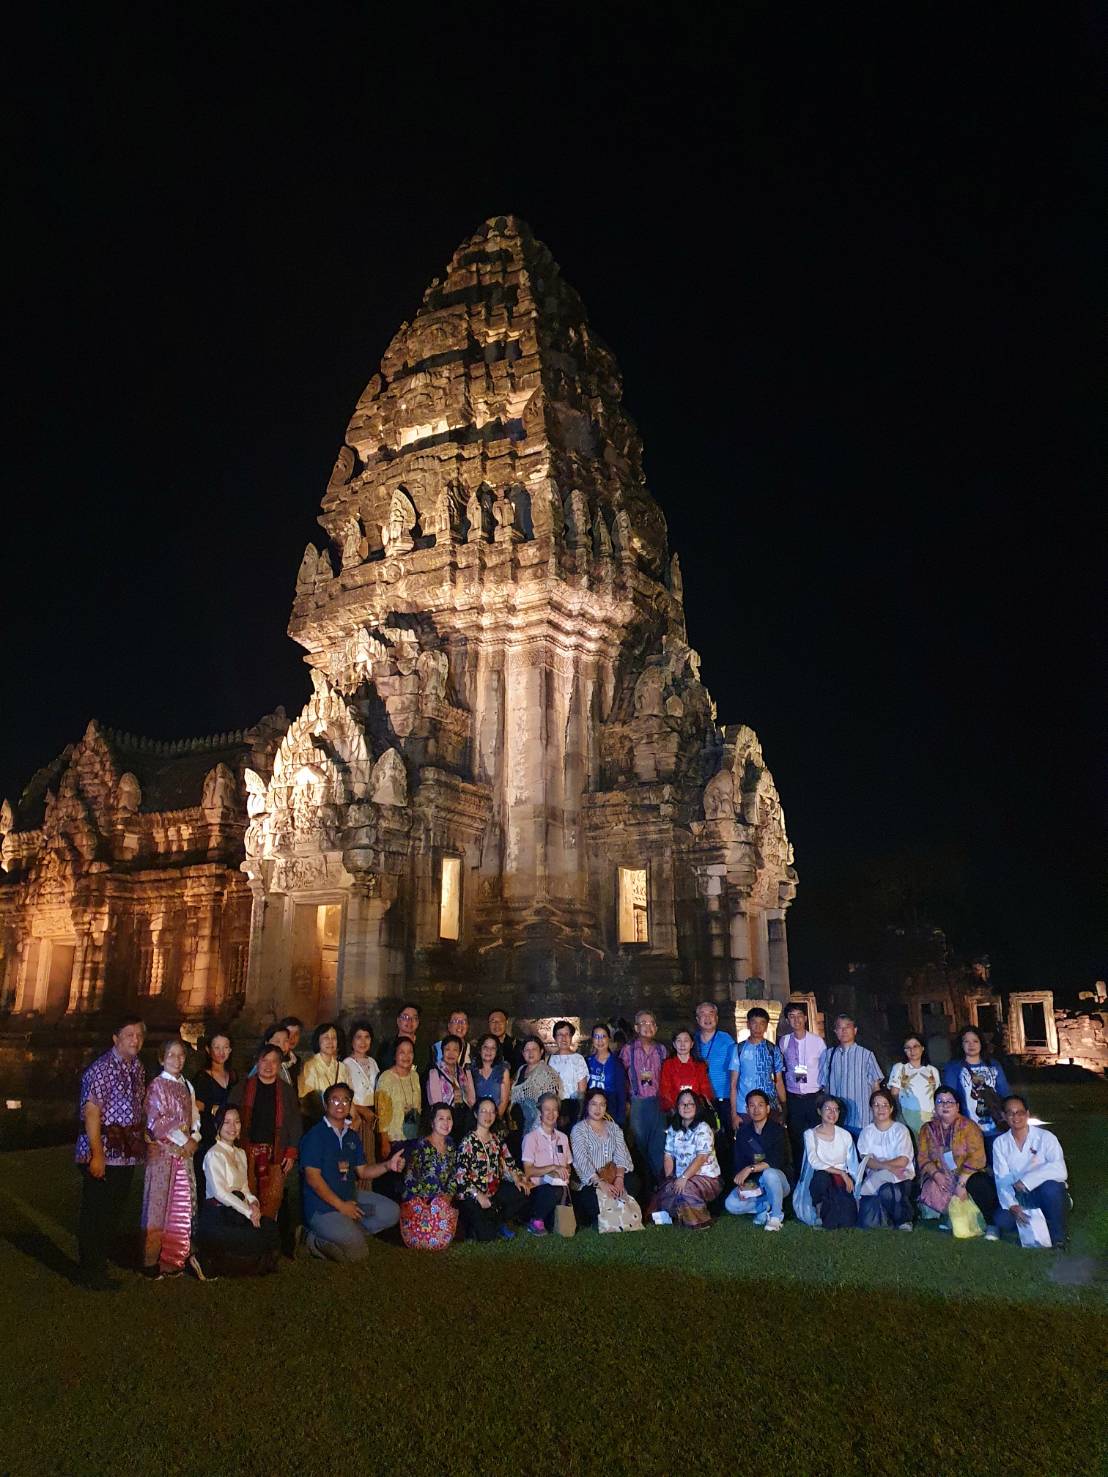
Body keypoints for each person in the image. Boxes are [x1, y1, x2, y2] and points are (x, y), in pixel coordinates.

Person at [75, 1016, 147, 1291]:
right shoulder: (102, 1069)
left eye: (138, 1035)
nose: (135, 1040)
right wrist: (97, 1154)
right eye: (129, 1035)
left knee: (114, 1209)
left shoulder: (137, 1067)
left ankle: (99, 1262)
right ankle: (90, 1269)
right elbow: (92, 1111)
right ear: (116, 1039)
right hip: (103, 1149)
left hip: (125, 1152)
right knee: (97, 1210)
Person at [300, 1083, 404, 1261]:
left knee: (391, 1211)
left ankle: (348, 1231)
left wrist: (388, 1165)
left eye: (345, 1100)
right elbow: (313, 1179)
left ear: (350, 1105)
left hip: (350, 1197)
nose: (340, 1104)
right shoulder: (315, 1136)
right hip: (322, 1207)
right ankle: (310, 1240)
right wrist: (341, 1206)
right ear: (326, 1104)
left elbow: (363, 1171)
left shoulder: (351, 1136)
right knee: (358, 1253)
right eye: (335, 1100)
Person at [229, 1043, 303, 1256]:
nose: (269, 1066)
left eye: (274, 1062)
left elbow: (294, 1122)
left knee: (272, 1198)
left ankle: (267, 1244)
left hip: (274, 1153)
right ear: (257, 1062)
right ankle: (248, 1242)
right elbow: (229, 1115)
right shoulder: (244, 1088)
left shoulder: (286, 1091)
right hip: (247, 1151)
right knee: (247, 1196)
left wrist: (291, 1151)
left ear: (280, 1065)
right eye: (265, 1060)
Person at [141, 1038, 203, 1280]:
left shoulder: (186, 1085)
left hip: (183, 1154)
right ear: (162, 1059)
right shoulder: (157, 1086)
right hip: (163, 1155)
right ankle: (151, 1258)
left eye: (181, 1055)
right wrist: (183, 1140)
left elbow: (194, 1115)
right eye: (172, 1055)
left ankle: (175, 1255)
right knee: (159, 1204)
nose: (177, 1060)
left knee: (181, 1203)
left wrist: (195, 1136)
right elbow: (156, 1121)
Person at [196, 1105, 280, 1276]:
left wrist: (253, 1203)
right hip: (219, 1214)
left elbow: (244, 1187)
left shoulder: (240, 1153)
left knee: (270, 1228)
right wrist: (248, 1212)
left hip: (239, 1210)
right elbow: (220, 1193)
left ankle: (250, 1263)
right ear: (218, 1126)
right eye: (226, 1122)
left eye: (236, 1122)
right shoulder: (214, 1154)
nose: (232, 1127)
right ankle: (208, 1262)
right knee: (255, 1237)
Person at [988, 1095, 1069, 1248]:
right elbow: (1002, 1178)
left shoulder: (1045, 1138)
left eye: (1020, 1112)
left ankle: (1058, 1237)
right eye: (1010, 1113)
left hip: (1044, 1192)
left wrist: (1027, 1181)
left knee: (1052, 1188)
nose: (1015, 1117)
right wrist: (1012, 1205)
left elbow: (1060, 1169)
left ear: (1027, 1114)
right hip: (1021, 1197)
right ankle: (1039, 1224)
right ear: (1004, 1116)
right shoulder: (1000, 1143)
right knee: (1002, 1219)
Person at [917, 1085, 997, 1226]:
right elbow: (923, 1157)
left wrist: (961, 1183)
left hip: (968, 1176)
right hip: (941, 1176)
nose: (945, 1105)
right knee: (930, 1191)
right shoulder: (927, 1129)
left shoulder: (969, 1127)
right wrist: (936, 1175)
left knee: (978, 1184)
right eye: (940, 1101)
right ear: (935, 1107)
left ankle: (988, 1222)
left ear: (957, 1106)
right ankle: (949, 1215)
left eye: (950, 1101)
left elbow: (978, 1158)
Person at [455, 1097, 530, 1241]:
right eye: (483, 1111)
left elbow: (509, 1162)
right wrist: (478, 1195)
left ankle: (496, 1219)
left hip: (493, 1190)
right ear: (476, 1114)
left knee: (522, 1192)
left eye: (492, 1112)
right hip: (473, 1194)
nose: (488, 1116)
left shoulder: (496, 1139)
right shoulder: (468, 1142)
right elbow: (460, 1176)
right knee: (486, 1237)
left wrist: (517, 1178)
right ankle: (485, 1223)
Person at [651, 1090, 721, 1229]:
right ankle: (678, 1214)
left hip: (706, 1177)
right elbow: (668, 1155)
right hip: (680, 1177)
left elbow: (701, 1157)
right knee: (667, 1190)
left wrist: (684, 1178)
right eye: (682, 1104)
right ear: (677, 1107)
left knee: (685, 1189)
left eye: (690, 1104)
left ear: (696, 1107)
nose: (686, 1107)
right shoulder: (673, 1129)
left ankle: (700, 1221)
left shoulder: (703, 1128)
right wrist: (669, 1178)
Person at [570, 1088, 639, 1227]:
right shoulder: (579, 1130)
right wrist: (601, 1182)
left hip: (614, 1175)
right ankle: (611, 1216)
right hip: (593, 1180)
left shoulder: (614, 1128)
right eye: (594, 1104)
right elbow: (582, 1161)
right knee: (591, 1197)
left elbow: (621, 1154)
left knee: (633, 1182)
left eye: (602, 1104)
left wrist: (619, 1179)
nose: (598, 1109)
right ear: (587, 1105)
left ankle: (618, 1215)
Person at [724, 1088, 790, 1231]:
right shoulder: (743, 1133)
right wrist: (743, 1186)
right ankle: (764, 1206)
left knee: (769, 1174)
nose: (756, 1109)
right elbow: (739, 1164)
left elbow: (777, 1161)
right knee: (731, 1204)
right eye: (752, 1105)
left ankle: (776, 1216)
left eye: (760, 1105)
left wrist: (750, 1169)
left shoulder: (778, 1131)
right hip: (755, 1184)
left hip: (778, 1182)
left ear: (767, 1108)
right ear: (747, 1109)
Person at [942, 1027, 1011, 1161]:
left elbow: (1005, 1092)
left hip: (996, 1127)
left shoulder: (993, 1065)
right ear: (961, 1044)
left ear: (981, 1043)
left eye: (975, 1041)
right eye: (966, 1041)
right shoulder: (954, 1067)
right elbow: (949, 1096)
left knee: (998, 1163)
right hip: (968, 1130)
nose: (971, 1045)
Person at [795, 1095, 860, 1230]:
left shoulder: (845, 1135)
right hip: (820, 1177)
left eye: (836, 1109)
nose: (832, 1113)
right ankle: (819, 1213)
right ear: (820, 1111)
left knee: (847, 1218)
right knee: (821, 1178)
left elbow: (853, 1164)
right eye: (828, 1109)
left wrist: (854, 1185)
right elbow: (814, 1161)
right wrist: (840, 1172)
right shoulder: (810, 1134)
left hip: (841, 1179)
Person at [400, 1104, 460, 1250]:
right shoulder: (421, 1146)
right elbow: (410, 1176)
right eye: (441, 1119)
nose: (446, 1123)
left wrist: (448, 1195)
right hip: (421, 1201)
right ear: (432, 1122)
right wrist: (424, 1199)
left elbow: (454, 1173)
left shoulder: (451, 1145)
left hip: (442, 1200)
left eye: (449, 1118)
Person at [621, 1010, 668, 1189]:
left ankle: (660, 1188)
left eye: (651, 1023)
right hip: (637, 1103)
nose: (648, 1027)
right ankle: (644, 1189)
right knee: (639, 1146)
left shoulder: (661, 1050)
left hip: (658, 1102)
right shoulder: (628, 1050)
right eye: (643, 1023)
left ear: (656, 1027)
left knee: (658, 1146)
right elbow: (623, 1076)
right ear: (636, 1027)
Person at [857, 1087, 915, 1230]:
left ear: (891, 1108)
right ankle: (886, 1219)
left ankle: (904, 1220)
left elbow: (903, 1160)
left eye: (884, 1105)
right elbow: (866, 1160)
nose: (880, 1109)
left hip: (900, 1176)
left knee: (888, 1191)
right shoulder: (867, 1132)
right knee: (880, 1195)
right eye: (876, 1105)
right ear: (871, 1108)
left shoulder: (901, 1130)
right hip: (875, 1176)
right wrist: (887, 1167)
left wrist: (882, 1166)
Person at [819, 1015, 883, 1137]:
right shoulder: (828, 1055)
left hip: (862, 1119)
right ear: (835, 1031)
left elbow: (876, 1088)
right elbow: (825, 1088)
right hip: (836, 1120)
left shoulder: (866, 1055)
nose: (844, 1031)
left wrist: (878, 1114)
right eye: (840, 1027)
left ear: (855, 1030)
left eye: (847, 1027)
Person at [779, 1002, 825, 1172]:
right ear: (787, 1020)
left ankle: (818, 1174)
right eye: (792, 1016)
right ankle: (800, 1176)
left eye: (799, 1015)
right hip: (794, 1098)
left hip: (814, 1097)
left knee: (817, 1137)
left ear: (805, 1018)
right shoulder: (784, 1042)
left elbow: (824, 1068)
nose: (796, 1020)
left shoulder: (817, 1042)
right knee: (797, 1139)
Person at [521, 1093, 573, 1235]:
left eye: (554, 1109)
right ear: (540, 1112)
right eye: (547, 1109)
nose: (551, 1114)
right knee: (552, 1191)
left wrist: (565, 1172)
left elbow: (568, 1164)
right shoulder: (531, 1138)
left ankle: (548, 1219)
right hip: (539, 1189)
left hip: (561, 1188)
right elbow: (528, 1171)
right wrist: (553, 1168)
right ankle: (536, 1220)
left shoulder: (563, 1138)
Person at [192, 1030, 237, 1188]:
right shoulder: (202, 1077)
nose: (221, 1052)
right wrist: (212, 1108)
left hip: (229, 1134)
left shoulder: (233, 1076)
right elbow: (196, 1105)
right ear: (208, 1049)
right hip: (208, 1134)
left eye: (225, 1047)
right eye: (216, 1047)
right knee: (208, 1182)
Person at [729, 1008, 786, 1127]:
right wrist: (734, 1114)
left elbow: (779, 1081)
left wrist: (784, 1107)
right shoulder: (739, 1049)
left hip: (769, 1106)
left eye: (762, 1023)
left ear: (766, 1026)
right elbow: (733, 1084)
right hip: (745, 1107)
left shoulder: (773, 1050)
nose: (758, 1027)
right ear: (748, 1024)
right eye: (754, 1023)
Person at [374, 1037, 423, 1167]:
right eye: (402, 1052)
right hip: (393, 1140)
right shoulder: (386, 1078)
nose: (406, 1056)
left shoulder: (415, 1076)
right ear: (394, 1055)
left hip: (412, 1136)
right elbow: (381, 1114)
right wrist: (384, 1141)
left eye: (410, 1052)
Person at [693, 1000, 736, 1133]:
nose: (707, 1018)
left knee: (727, 1137)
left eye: (711, 1014)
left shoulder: (726, 1040)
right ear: (697, 1019)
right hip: (701, 1099)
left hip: (724, 1097)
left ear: (716, 1018)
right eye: (703, 1014)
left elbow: (736, 1068)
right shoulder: (692, 1041)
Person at [298, 1022, 351, 1128]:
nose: (330, 1041)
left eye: (334, 1038)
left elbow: (349, 1095)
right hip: (318, 1122)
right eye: (326, 1037)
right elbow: (306, 1100)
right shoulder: (310, 1066)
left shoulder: (342, 1067)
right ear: (318, 1040)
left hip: (341, 1121)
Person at [887, 1035, 941, 1139]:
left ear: (922, 1048)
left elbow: (938, 1095)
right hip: (907, 1115)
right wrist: (898, 1117)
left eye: (916, 1046)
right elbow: (894, 1095)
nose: (912, 1051)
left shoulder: (932, 1070)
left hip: (930, 1117)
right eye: (908, 1048)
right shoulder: (899, 1068)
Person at [510, 1035, 564, 1139]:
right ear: (523, 1053)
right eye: (527, 1050)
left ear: (541, 1051)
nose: (530, 1053)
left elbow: (548, 1107)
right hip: (518, 1126)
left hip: (536, 1129)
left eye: (534, 1049)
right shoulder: (521, 1069)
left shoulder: (546, 1073)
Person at [342, 1019, 380, 1164]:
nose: (363, 1042)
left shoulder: (373, 1062)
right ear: (352, 1040)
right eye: (359, 1037)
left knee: (370, 1157)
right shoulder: (346, 1064)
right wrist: (360, 1111)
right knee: (356, 1159)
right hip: (355, 1117)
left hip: (372, 1118)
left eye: (367, 1037)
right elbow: (345, 1095)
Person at [426, 1032, 476, 1137]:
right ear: (442, 1051)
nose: (451, 1053)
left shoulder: (462, 1071)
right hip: (444, 1120)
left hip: (462, 1118)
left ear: (459, 1052)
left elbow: (471, 1099)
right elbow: (435, 1103)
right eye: (447, 1049)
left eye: (455, 1050)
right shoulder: (434, 1071)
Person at [659, 1028, 713, 1113]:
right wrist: (673, 1109)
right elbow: (665, 1091)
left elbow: (705, 1090)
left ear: (692, 1044)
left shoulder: (700, 1066)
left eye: (686, 1041)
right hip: (675, 1111)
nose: (682, 1045)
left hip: (696, 1111)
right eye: (679, 1041)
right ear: (674, 1044)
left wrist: (700, 1108)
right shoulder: (668, 1065)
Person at [547, 1019, 588, 1126]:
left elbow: (582, 1090)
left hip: (573, 1107)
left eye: (567, 1034)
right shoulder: (550, 1059)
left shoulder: (578, 1059)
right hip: (555, 1107)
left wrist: (578, 1113)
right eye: (560, 1034)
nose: (564, 1038)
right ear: (555, 1038)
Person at [585, 1023, 629, 1125]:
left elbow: (621, 1093)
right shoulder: (587, 1062)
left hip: (610, 1110)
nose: (599, 1040)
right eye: (596, 1036)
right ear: (592, 1039)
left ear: (609, 1038)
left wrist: (620, 1119)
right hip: (591, 1111)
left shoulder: (616, 1063)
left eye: (603, 1036)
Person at [468, 1033, 511, 1122]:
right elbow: (470, 1099)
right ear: (480, 1050)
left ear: (497, 1051)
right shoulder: (471, 1070)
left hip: (497, 1119)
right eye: (485, 1047)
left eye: (493, 1048)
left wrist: (494, 1120)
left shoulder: (503, 1070)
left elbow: (504, 1101)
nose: (489, 1051)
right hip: (476, 1119)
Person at [377, 1003, 422, 1071]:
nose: (410, 1021)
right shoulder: (386, 1046)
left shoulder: (424, 1048)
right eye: (406, 1017)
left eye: (414, 1018)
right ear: (398, 1021)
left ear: (418, 1022)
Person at [278, 1016, 304, 1087]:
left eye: (296, 1034)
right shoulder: (272, 1058)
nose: (293, 1038)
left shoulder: (297, 1060)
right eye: (289, 1033)